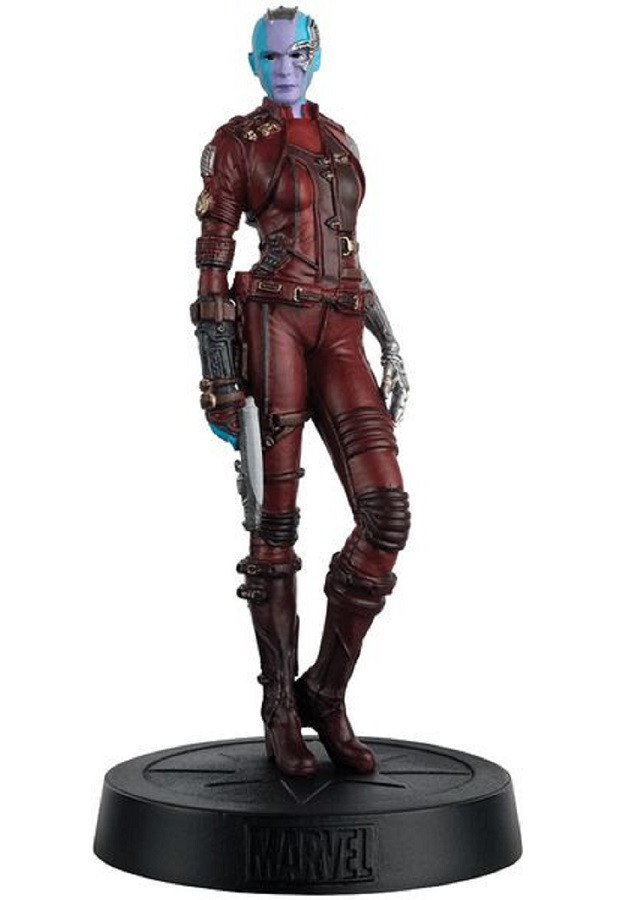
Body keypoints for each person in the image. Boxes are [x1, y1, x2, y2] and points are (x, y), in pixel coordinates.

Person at [193, 6, 410, 777]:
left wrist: (387, 336)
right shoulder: (237, 143)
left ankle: (326, 690)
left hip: (342, 329)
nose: (284, 67)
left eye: (297, 54)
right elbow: (212, 264)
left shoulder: (340, 140)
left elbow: (347, 252)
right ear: (254, 63)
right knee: (274, 526)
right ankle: (279, 708)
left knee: (387, 515)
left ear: (315, 56)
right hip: (273, 325)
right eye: (271, 56)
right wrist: (220, 378)